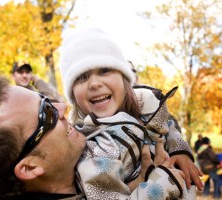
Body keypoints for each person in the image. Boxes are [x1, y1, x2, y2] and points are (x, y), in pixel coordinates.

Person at [0, 76, 188, 200]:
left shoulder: (86, 146)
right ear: (29, 167)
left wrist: (179, 147)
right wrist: (164, 183)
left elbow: (152, 111)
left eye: (45, 99)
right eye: (47, 114)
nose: (63, 107)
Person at [60, 27, 202, 199]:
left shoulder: (147, 104)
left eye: (104, 70)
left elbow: (169, 127)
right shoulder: (94, 151)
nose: (94, 83)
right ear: (73, 95)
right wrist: (163, 182)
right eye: (81, 77)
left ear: (124, 78)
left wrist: (179, 151)